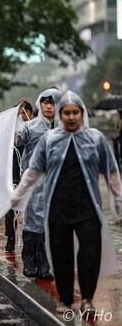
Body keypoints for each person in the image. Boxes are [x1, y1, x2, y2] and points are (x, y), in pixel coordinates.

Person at [11, 91, 122, 314]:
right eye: (67, 113)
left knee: (89, 253)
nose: (71, 117)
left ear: (82, 114)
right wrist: (18, 195)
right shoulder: (49, 140)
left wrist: (118, 201)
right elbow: (33, 171)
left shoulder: (95, 139)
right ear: (62, 115)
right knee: (61, 255)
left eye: (75, 113)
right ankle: (65, 299)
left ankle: (88, 299)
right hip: (58, 208)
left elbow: (111, 173)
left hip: (88, 208)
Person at [16, 87, 61, 279]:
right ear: (39, 104)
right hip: (35, 183)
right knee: (32, 223)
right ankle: (29, 263)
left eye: (52, 102)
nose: (48, 106)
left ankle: (45, 266)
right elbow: (16, 139)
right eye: (45, 102)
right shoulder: (31, 127)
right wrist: (16, 118)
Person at [5, 101, 34, 253]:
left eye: (26, 112)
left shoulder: (35, 132)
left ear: (31, 114)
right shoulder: (11, 134)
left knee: (32, 211)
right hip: (14, 177)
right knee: (11, 210)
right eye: (21, 113)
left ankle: (31, 242)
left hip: (30, 178)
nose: (23, 116)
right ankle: (10, 237)